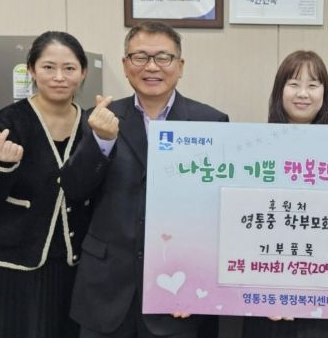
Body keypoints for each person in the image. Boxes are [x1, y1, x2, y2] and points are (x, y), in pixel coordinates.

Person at [70, 21, 227, 338]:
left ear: (180, 66)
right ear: (125, 65)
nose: (152, 67)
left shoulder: (210, 122)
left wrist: (200, 281)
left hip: (178, 291)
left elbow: (217, 210)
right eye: (140, 57)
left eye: (163, 57)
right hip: (106, 287)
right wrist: (101, 142)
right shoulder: (98, 117)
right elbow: (73, 190)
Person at [0, 31, 109, 338]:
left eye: (69, 68)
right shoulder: (8, 123)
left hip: (68, 267)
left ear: (83, 73)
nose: (59, 77)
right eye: (48, 67)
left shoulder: (91, 125)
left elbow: (95, 190)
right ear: (32, 70)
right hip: (5, 268)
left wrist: (103, 141)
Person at [242, 50, 328, 338]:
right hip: (268, 289)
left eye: (313, 85)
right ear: (280, 90)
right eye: (293, 84)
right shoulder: (252, 146)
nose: (303, 93)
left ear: (324, 93)